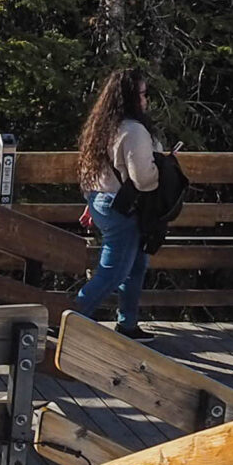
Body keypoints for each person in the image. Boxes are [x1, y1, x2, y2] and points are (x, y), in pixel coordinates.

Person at [71, 68, 165, 338]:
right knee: (112, 274)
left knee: (135, 265)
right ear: (132, 98)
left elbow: (94, 171)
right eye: (144, 94)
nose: (146, 100)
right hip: (123, 208)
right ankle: (64, 323)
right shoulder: (133, 130)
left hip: (101, 201)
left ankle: (128, 323)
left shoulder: (103, 127)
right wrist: (165, 170)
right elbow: (143, 178)